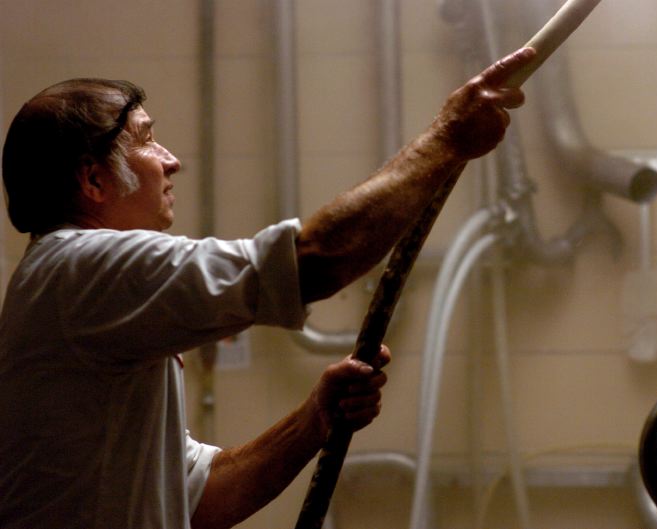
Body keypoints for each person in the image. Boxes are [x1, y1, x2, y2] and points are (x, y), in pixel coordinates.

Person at [0, 47, 536, 529]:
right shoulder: (82, 268)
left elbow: (197, 499)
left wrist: (314, 419)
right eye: (145, 140)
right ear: (94, 180)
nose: (171, 160)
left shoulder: (80, 287)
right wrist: (445, 138)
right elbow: (315, 262)